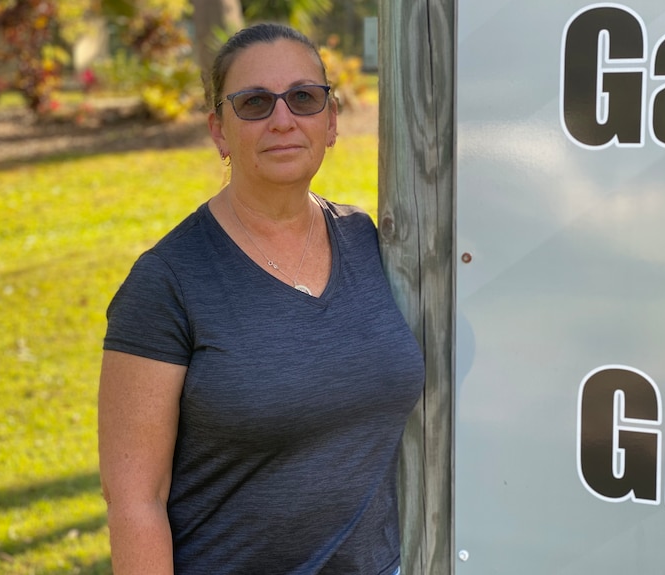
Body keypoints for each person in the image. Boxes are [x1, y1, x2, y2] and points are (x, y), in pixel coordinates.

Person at [97, 23, 425, 575]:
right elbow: (136, 502)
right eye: (253, 103)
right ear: (220, 132)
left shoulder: (369, 242)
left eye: (303, 97)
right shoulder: (168, 282)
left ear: (331, 121)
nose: (282, 119)